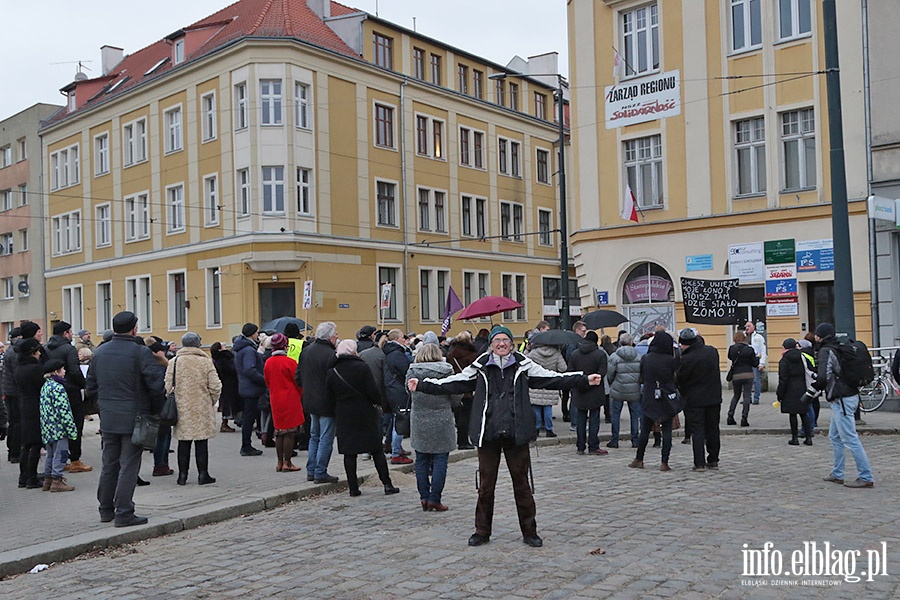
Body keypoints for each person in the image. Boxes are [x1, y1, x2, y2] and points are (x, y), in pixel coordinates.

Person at [408, 325, 602, 548]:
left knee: (522, 485)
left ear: (511, 344)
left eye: (505, 340)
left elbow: (553, 378)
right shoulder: (480, 365)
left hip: (516, 433)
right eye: (497, 340)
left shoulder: (523, 364)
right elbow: (454, 382)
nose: (501, 344)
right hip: (488, 433)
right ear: (491, 345)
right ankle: (482, 531)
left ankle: (530, 531)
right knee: (486, 486)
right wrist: (423, 385)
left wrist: (583, 379)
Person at [86, 311, 165, 527]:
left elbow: (90, 387)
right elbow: (156, 385)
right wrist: (156, 410)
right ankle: (124, 511)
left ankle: (105, 509)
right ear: (134, 329)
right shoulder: (140, 352)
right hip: (135, 416)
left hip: (109, 416)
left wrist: (103, 406)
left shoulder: (100, 352)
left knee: (109, 464)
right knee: (129, 464)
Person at [323, 339, 399, 497]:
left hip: (344, 414)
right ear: (353, 351)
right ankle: (387, 484)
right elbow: (373, 391)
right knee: (376, 450)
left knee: (349, 453)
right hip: (365, 413)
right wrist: (378, 403)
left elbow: (328, 397)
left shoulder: (332, 370)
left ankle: (353, 488)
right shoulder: (362, 367)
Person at [814, 323, 874, 488]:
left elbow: (823, 377)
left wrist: (810, 392)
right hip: (845, 397)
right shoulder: (839, 347)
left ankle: (866, 476)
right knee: (834, 436)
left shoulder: (827, 351)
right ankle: (837, 473)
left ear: (821, 336)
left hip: (842, 399)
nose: (815, 337)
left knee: (850, 438)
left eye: (817, 334)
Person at [407, 343, 460, 511]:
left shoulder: (411, 372)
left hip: (419, 418)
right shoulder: (447, 371)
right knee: (440, 459)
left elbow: (409, 392)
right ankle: (435, 498)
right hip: (442, 418)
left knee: (421, 459)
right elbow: (455, 395)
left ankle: (424, 497)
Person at [166, 332, 222, 485]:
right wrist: (211, 400)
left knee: (183, 443)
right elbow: (216, 386)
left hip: (181, 407)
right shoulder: (205, 362)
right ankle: (203, 474)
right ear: (198, 344)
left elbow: (167, 385)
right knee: (201, 442)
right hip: (201, 407)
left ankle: (182, 476)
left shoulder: (174, 361)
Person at [295, 321, 339, 483]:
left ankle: (311, 470)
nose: (337, 338)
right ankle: (320, 471)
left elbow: (298, 377)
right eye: (335, 335)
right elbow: (334, 381)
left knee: (314, 436)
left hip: (309, 399)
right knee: (326, 438)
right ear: (329, 337)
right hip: (326, 401)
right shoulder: (331, 355)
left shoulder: (306, 351)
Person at [45, 321, 90, 473]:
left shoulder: (45, 348)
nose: (72, 335)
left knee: (58, 426)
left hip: (52, 389)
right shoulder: (69, 349)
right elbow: (75, 371)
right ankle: (75, 460)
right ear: (65, 333)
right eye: (71, 332)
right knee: (75, 425)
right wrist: (84, 385)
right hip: (71, 390)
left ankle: (60, 460)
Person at [629, 331, 678, 472]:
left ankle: (639, 458)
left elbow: (642, 376)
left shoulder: (646, 358)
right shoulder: (671, 360)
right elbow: (675, 377)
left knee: (645, 429)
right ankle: (664, 462)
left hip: (650, 396)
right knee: (667, 430)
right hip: (667, 396)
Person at [676, 328, 722, 471]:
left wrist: (684, 394)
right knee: (713, 429)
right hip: (714, 397)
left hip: (695, 400)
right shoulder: (712, 352)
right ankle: (713, 459)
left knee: (697, 431)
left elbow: (681, 380)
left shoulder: (687, 359)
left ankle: (699, 463)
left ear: (684, 344)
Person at [263, 333, 305, 472]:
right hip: (290, 398)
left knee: (279, 431)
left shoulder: (268, 362)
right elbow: (298, 381)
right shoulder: (290, 362)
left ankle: (279, 462)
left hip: (276, 399)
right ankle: (288, 462)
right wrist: (299, 394)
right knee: (289, 432)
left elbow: (267, 382)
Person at [39, 359, 78, 492]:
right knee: (61, 453)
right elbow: (64, 410)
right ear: (56, 372)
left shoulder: (46, 386)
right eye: (63, 369)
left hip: (48, 428)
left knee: (50, 454)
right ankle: (57, 479)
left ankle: (47, 480)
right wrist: (71, 429)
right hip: (59, 428)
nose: (65, 371)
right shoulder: (58, 388)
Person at [567, 331, 608, 455]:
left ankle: (580, 446)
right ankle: (593, 446)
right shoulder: (600, 354)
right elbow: (602, 372)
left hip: (579, 390)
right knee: (594, 420)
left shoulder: (574, 354)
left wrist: (580, 382)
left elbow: (570, 372)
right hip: (595, 391)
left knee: (580, 420)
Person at [14, 336, 47, 488]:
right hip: (35, 406)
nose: (40, 353)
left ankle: (23, 476)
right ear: (33, 352)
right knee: (35, 442)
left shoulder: (19, 368)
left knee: (26, 443)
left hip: (24, 404)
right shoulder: (35, 368)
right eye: (38, 351)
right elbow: (42, 386)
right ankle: (32, 478)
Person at [525, 336, 568, 438]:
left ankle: (537, 428)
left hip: (536, 383)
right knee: (548, 408)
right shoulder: (556, 353)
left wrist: (527, 349)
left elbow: (524, 361)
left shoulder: (534, 353)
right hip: (550, 382)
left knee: (536, 408)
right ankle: (549, 429)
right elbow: (563, 368)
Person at [234, 323, 265, 457]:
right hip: (251, 388)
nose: (258, 335)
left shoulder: (241, 348)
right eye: (256, 332)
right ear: (252, 333)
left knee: (249, 417)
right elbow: (250, 370)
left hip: (245, 386)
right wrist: (264, 380)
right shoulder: (249, 350)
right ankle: (246, 446)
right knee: (249, 418)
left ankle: (246, 444)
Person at [382, 329, 413, 464]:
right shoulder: (397, 354)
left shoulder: (390, 352)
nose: (404, 339)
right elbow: (406, 371)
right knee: (400, 422)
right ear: (396, 339)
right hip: (398, 391)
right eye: (401, 337)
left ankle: (393, 446)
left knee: (395, 421)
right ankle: (395, 453)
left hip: (391, 389)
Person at [144, 336, 173, 477]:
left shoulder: (146, 365)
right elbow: (161, 388)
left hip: (151, 405)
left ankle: (161, 464)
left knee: (160, 435)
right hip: (161, 405)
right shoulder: (161, 367)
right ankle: (161, 465)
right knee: (164, 436)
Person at [607, 332, 642, 449]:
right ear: (631, 342)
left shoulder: (614, 356)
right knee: (634, 415)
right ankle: (635, 440)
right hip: (634, 389)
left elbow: (609, 374)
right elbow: (642, 373)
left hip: (618, 388)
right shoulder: (638, 356)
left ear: (620, 343)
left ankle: (615, 440)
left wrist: (612, 383)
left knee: (615, 415)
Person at [446, 331, 480, 450]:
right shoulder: (471, 355)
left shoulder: (451, 354)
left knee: (458, 415)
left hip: (455, 387)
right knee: (466, 416)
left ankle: (461, 440)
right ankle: (464, 441)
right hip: (467, 389)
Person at [776, 338, 812, 446]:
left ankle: (794, 438)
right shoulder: (802, 357)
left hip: (789, 390)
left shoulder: (784, 360)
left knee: (792, 414)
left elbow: (783, 379)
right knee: (804, 414)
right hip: (801, 387)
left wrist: (779, 394)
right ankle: (808, 437)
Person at [726, 331, 758, 427]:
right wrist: (758, 358)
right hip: (748, 374)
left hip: (736, 375)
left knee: (736, 395)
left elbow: (730, 357)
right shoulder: (749, 349)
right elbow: (754, 363)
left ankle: (730, 416)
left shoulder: (732, 348)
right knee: (747, 396)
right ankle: (744, 418)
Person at [210, 342, 239, 433]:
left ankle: (225, 423)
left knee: (226, 403)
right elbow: (231, 369)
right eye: (223, 346)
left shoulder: (217, 358)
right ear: (219, 349)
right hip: (228, 383)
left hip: (225, 383)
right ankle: (224, 424)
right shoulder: (224, 358)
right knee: (227, 404)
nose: (225, 346)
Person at [745, 321, 767, 405]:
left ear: (753, 327)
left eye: (749, 326)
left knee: (756, 380)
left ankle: (756, 398)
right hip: (746, 362)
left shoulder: (759, 337)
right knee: (747, 381)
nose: (747, 328)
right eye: (746, 326)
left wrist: (762, 363)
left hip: (755, 361)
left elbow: (763, 350)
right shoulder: (743, 337)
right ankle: (748, 398)